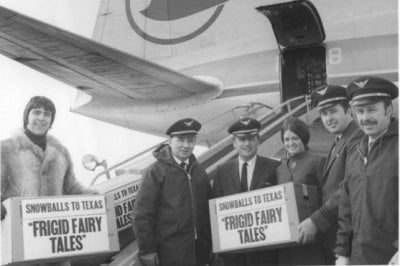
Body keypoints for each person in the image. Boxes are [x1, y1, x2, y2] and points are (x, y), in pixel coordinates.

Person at [295, 85, 363, 264]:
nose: (328, 118)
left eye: (333, 111)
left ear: (349, 110)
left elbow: (349, 186)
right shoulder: (340, 140)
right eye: (323, 113)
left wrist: (317, 220)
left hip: (351, 237)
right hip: (338, 234)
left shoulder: (357, 137)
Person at [334, 76, 398, 265]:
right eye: (359, 111)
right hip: (359, 258)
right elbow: (346, 206)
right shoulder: (356, 151)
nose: (365, 117)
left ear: (388, 110)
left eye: (372, 109)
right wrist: (342, 253)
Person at [133, 118, 212, 266]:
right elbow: (142, 214)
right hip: (169, 252)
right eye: (181, 140)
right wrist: (147, 250)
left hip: (199, 250)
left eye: (191, 140)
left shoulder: (199, 171)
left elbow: (208, 210)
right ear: (170, 141)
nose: (186, 145)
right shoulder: (155, 172)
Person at [1, 96, 93, 220]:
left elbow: (70, 187)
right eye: (36, 112)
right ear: (26, 117)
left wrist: (93, 195)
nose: (41, 118)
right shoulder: (6, 149)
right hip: (18, 229)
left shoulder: (61, 153)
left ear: (51, 121)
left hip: (53, 230)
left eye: (47, 114)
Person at [212, 117, 280, 266]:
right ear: (234, 143)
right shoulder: (222, 171)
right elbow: (216, 215)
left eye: (251, 138)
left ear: (258, 140)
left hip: (266, 256)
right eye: (241, 139)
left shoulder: (274, 167)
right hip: (232, 257)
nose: (247, 143)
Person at [275, 118, 327, 265]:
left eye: (295, 138)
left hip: (313, 238)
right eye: (286, 139)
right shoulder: (280, 168)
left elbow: (327, 195)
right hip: (287, 240)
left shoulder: (318, 161)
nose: (290, 143)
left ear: (303, 138)